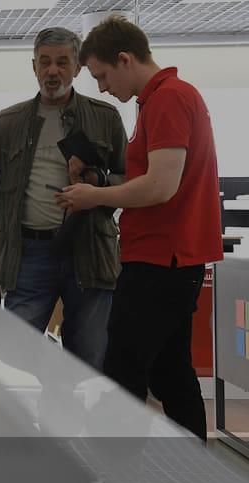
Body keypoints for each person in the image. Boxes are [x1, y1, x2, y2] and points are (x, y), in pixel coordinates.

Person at [56, 16, 222, 440]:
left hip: (161, 260)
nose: (102, 87)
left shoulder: (168, 99)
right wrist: (99, 182)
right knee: (170, 373)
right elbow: (156, 179)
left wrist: (96, 197)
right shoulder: (166, 99)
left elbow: (160, 186)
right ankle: (191, 466)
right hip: (167, 258)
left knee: (123, 373)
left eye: (102, 75)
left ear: (125, 59)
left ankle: (114, 468)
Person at [0, 27, 127, 370]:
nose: (52, 71)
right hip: (28, 254)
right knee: (14, 351)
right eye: (45, 62)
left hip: (89, 249)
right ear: (34, 66)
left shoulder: (104, 118)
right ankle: (53, 379)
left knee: (89, 357)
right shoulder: (9, 122)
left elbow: (129, 180)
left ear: (77, 68)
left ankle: (69, 399)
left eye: (62, 62)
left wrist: (97, 182)